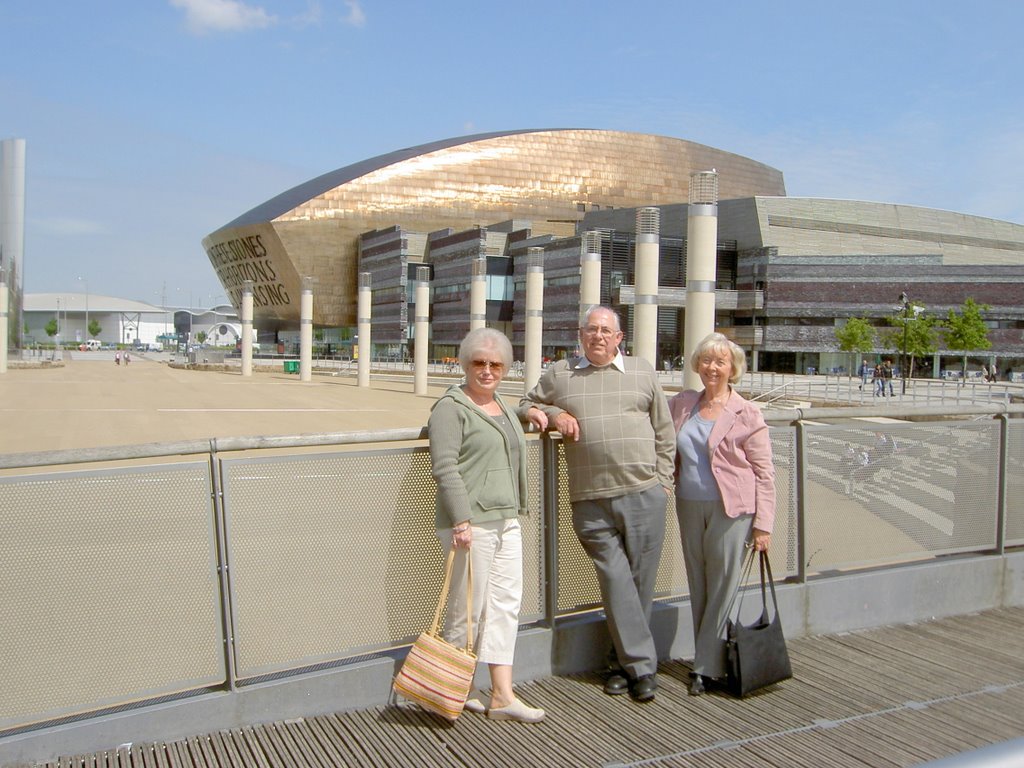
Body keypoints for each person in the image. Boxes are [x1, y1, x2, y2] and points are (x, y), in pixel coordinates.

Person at [519, 305, 675, 703]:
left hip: (644, 494)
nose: (599, 337)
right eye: (591, 330)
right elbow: (524, 405)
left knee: (637, 584)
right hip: (591, 500)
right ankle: (641, 668)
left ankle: (619, 664)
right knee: (615, 579)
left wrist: (664, 483)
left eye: (606, 331)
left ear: (619, 338)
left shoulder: (642, 371)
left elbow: (664, 429)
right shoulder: (562, 374)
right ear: (580, 334)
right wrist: (551, 412)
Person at [427, 327, 545, 723]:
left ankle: (501, 694)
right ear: (465, 365)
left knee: (504, 607)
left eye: (496, 364)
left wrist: (533, 412)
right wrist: (460, 519)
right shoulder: (451, 407)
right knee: (466, 610)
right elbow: (444, 468)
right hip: (471, 524)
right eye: (479, 362)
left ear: (506, 368)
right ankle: (450, 693)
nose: (488, 370)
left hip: (506, 519)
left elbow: (516, 418)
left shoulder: (503, 406)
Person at [667, 333, 776, 696]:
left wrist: (763, 525)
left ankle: (705, 667)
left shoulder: (747, 412)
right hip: (688, 503)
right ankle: (706, 658)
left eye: (721, 362)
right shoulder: (682, 405)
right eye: (707, 360)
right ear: (697, 365)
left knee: (722, 588)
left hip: (733, 510)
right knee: (699, 584)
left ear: (733, 369)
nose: (713, 368)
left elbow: (764, 473)